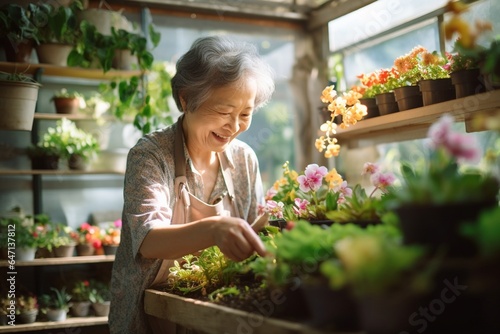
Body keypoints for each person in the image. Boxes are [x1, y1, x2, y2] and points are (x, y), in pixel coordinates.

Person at [108, 35, 275, 334]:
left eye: (245, 114)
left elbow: (252, 235)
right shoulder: (151, 154)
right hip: (150, 317)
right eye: (224, 112)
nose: (234, 126)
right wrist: (214, 228)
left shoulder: (244, 160)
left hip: (217, 311)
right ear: (186, 99)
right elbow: (148, 242)